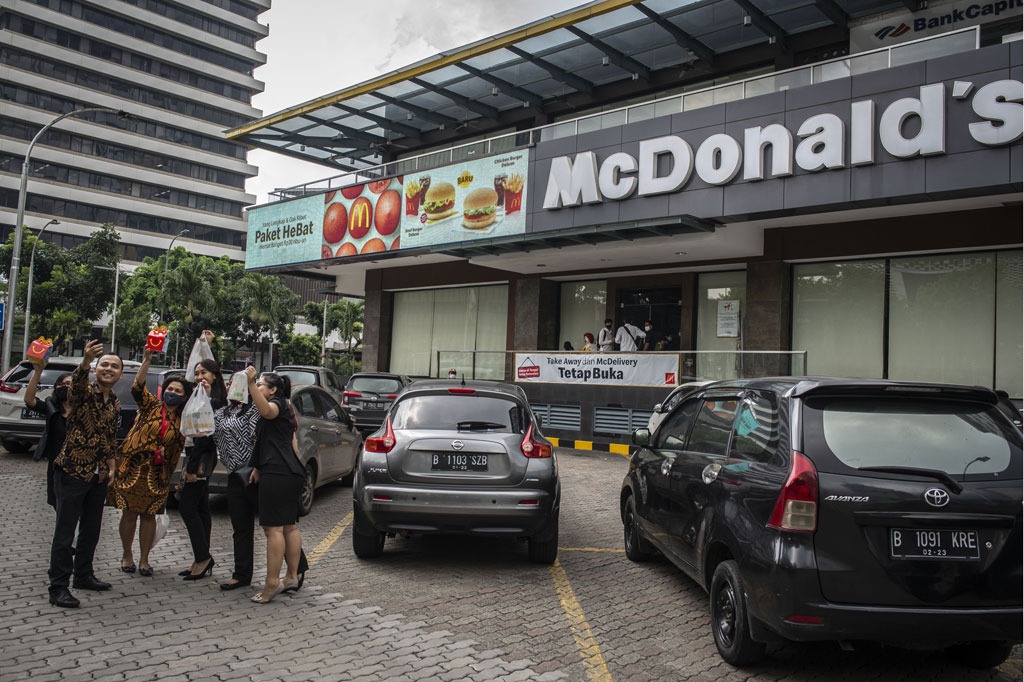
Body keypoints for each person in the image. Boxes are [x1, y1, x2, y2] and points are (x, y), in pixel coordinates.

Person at [47, 340, 123, 608]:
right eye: (105, 364)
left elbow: (110, 438)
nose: (109, 369)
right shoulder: (83, 392)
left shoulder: (114, 402)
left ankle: (83, 575)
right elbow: (76, 385)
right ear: (96, 369)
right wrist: (86, 361)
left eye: (114, 366)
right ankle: (58, 586)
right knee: (65, 531)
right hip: (72, 470)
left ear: (120, 374)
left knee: (92, 529)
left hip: (98, 475)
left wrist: (112, 466)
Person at [108, 349, 189, 577]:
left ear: (184, 397)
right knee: (129, 513)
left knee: (148, 516)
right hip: (132, 467)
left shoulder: (183, 420)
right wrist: (146, 360)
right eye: (170, 389)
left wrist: (171, 477)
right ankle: (127, 555)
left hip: (157, 474)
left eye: (178, 391)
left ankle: (144, 559)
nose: (172, 393)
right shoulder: (151, 406)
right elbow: (137, 387)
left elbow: (176, 451)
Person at [246, 368, 306, 604]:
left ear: (273, 390)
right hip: (289, 471)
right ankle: (291, 577)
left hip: (278, 473)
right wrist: (258, 467)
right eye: (258, 384)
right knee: (288, 527)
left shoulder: (278, 405)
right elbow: (289, 444)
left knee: (273, 529)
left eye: (262, 385)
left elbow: (265, 410)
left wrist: (250, 383)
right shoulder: (287, 408)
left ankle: (272, 583)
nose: (258, 387)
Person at [178, 352, 226, 581]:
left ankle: (203, 557)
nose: (199, 376)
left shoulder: (214, 401)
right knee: (201, 508)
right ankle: (201, 557)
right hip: (195, 454)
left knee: (187, 507)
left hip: (200, 459)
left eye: (204, 372)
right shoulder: (200, 395)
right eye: (196, 373)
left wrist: (190, 467)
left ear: (215, 376)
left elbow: (204, 437)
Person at [25, 366, 73, 509]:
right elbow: (29, 400)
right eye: (60, 384)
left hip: (78, 467)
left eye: (68, 384)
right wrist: (38, 371)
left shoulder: (85, 409)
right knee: (58, 505)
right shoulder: (51, 407)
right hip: (56, 467)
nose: (63, 387)